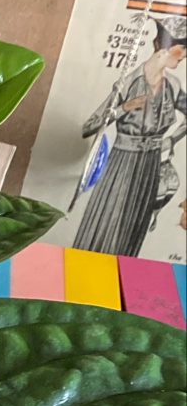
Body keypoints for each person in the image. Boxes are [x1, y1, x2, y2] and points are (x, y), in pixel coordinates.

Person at [74, 16, 186, 256]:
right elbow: (90, 126)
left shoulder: (173, 86)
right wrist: (123, 108)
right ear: (166, 48)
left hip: (151, 164)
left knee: (134, 228)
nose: (184, 55)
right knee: (109, 224)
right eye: (182, 49)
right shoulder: (129, 81)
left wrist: (171, 139)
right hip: (122, 163)